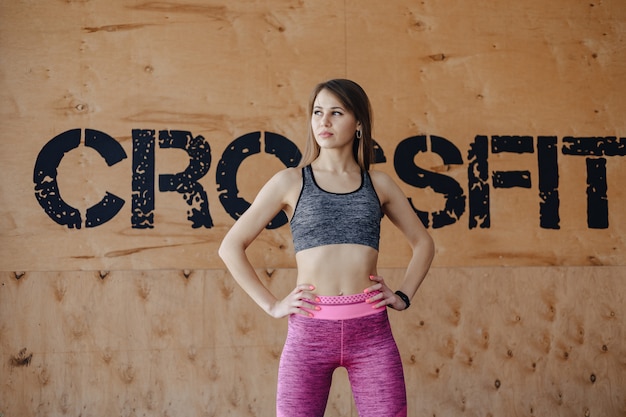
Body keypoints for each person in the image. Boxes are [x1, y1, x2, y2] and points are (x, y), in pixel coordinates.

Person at [219, 78, 435, 417]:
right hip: (309, 334)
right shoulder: (290, 181)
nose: (324, 121)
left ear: (359, 123)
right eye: (318, 112)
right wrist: (273, 305)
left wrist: (404, 295)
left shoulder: (379, 184)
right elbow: (231, 246)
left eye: (336, 112)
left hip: (371, 334)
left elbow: (423, 243)